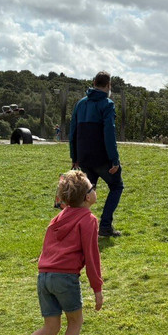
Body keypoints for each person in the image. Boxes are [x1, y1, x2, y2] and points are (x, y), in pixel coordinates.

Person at [0, 170, 104, 335]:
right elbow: (92, 256)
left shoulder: (58, 218)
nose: (95, 189)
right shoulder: (89, 220)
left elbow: (47, 249)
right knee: (75, 322)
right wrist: (97, 288)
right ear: (87, 197)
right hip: (65, 278)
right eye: (92, 187)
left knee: (51, 326)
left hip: (44, 276)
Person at [70, 71, 124, 239]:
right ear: (108, 86)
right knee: (116, 187)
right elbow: (109, 133)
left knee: (84, 194)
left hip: (84, 157)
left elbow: (73, 132)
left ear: (93, 82)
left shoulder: (80, 104)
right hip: (102, 158)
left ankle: (76, 227)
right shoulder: (107, 104)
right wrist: (114, 160)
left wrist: (74, 157)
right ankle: (105, 226)